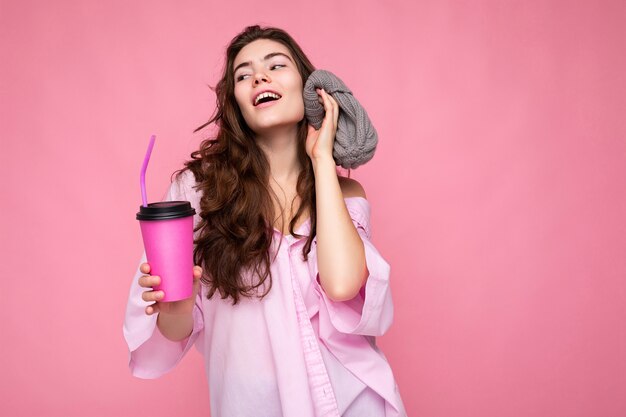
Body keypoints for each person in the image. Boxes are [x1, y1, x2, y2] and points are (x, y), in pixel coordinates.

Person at [123, 25, 407, 417]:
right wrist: (177, 306)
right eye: (244, 74)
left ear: (310, 90)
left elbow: (342, 285)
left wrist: (323, 159)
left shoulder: (343, 193)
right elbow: (171, 332)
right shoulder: (198, 192)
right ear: (237, 102)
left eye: (276, 65)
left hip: (354, 403)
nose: (260, 77)